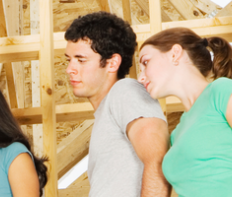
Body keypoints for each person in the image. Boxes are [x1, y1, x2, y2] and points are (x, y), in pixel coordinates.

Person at [136, 27, 232, 196]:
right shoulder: (176, 134)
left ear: (175, 53)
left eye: (145, 62)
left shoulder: (221, 91)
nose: (140, 77)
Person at [63, 11, 171, 197]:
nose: (69, 69)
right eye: (69, 60)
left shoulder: (125, 91)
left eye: (81, 60)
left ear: (112, 64)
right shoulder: (107, 112)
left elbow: (158, 160)